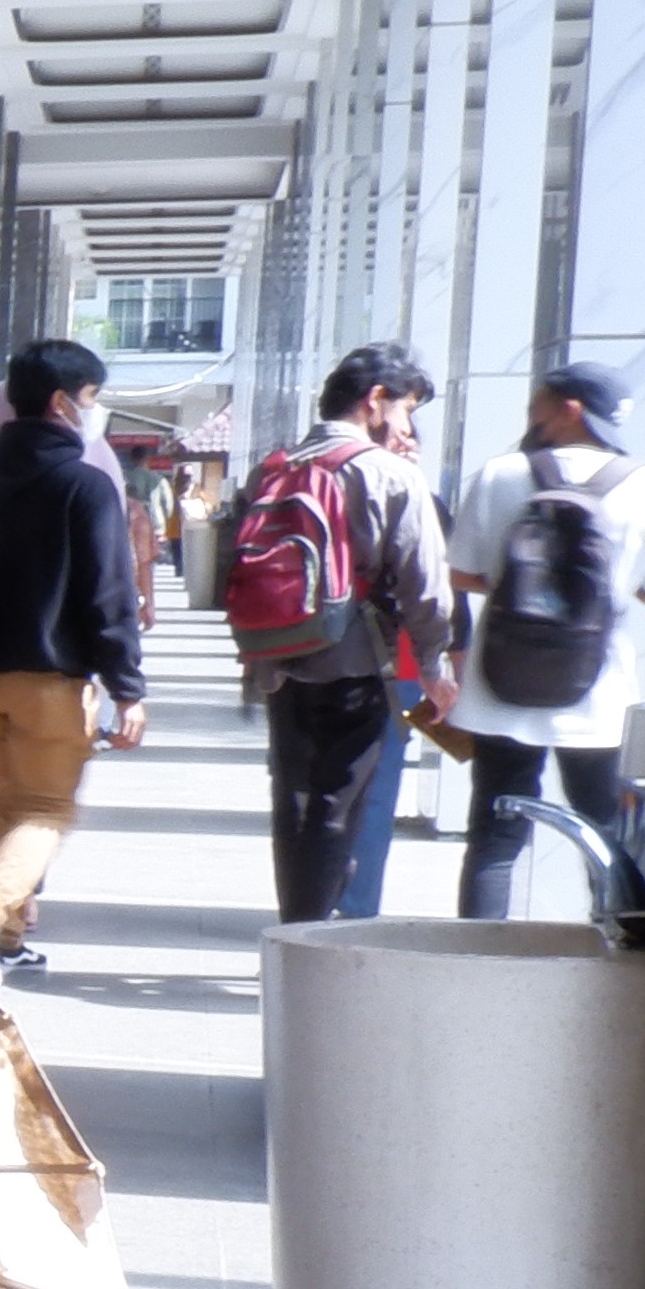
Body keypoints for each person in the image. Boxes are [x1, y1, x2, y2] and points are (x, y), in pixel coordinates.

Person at [0, 337, 153, 983]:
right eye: (90, 398)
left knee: (7, 802)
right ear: (63, 403)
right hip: (52, 677)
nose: (92, 411)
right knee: (44, 809)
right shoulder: (83, 484)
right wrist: (126, 685)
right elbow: (108, 590)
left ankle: (1, 942)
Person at [248, 343, 459, 926]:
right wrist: (436, 667)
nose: (407, 424)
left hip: (280, 655)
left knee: (293, 800)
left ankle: (295, 922)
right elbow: (425, 584)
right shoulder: (387, 473)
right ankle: (309, 938)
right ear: (375, 401)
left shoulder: (275, 466)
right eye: (406, 408)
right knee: (338, 804)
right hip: (357, 660)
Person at [449, 361, 645, 917]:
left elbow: (461, 572)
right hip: (596, 689)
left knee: (494, 838)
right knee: (604, 834)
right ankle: (613, 950)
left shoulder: (501, 473)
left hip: (503, 682)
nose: (531, 416)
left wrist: (523, 588)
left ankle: (476, 960)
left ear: (568, 409)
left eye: (536, 405)